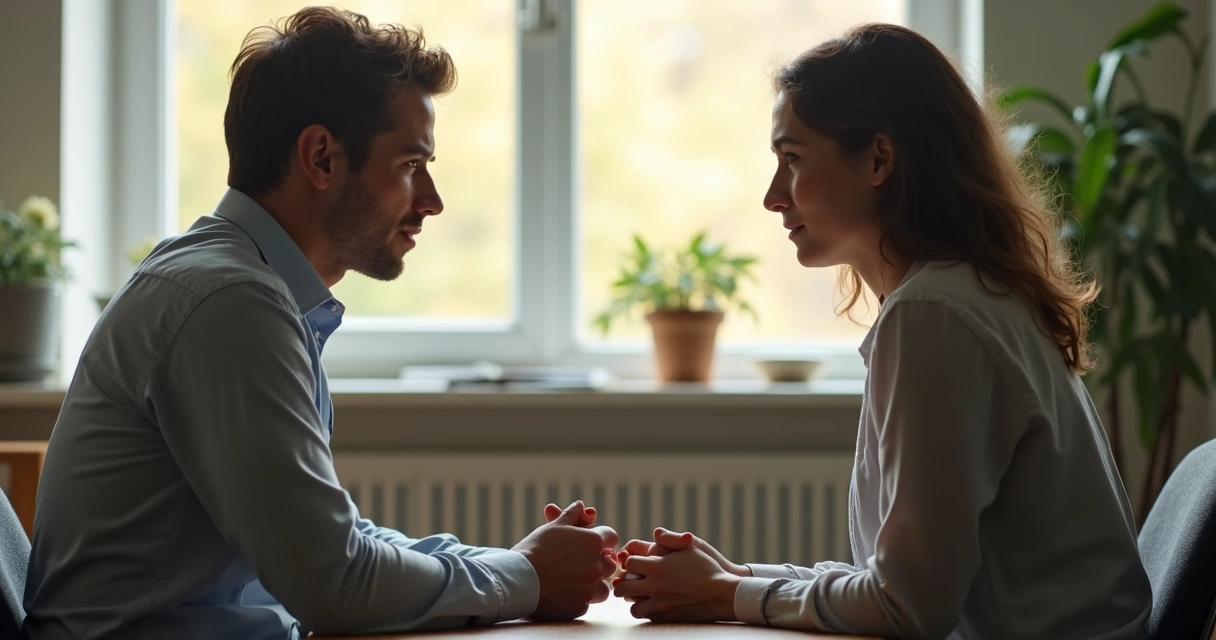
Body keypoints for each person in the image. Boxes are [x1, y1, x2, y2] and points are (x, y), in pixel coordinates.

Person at [24, 8, 617, 640]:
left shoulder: (239, 285)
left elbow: (338, 541)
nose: (432, 201)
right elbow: (334, 582)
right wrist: (524, 579)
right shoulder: (229, 303)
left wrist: (510, 565)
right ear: (321, 157)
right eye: (412, 164)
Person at [612, 23, 1151, 640]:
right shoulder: (968, 294)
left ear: (879, 158)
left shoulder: (936, 315)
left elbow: (906, 608)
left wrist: (731, 594)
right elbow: (895, 582)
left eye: (792, 159)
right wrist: (734, 576)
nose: (772, 196)